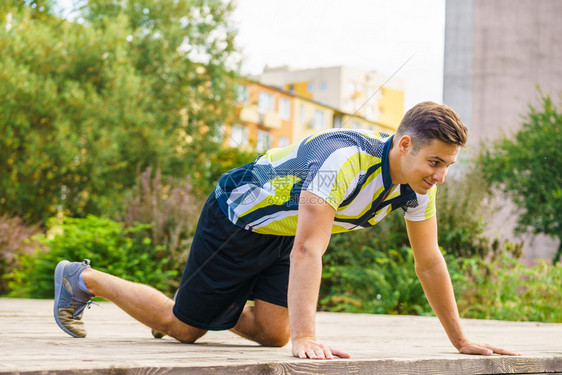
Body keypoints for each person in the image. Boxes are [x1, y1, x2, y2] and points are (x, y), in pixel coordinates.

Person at [54, 102, 520, 359]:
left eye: (448, 166)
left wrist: (460, 341)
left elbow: (429, 261)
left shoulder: (419, 186)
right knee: (184, 327)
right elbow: (307, 252)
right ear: (403, 144)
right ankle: (81, 278)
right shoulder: (342, 161)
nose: (440, 175)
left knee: (273, 334)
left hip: (286, 233)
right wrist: (307, 337)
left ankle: (212, 305)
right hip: (241, 219)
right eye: (435, 162)